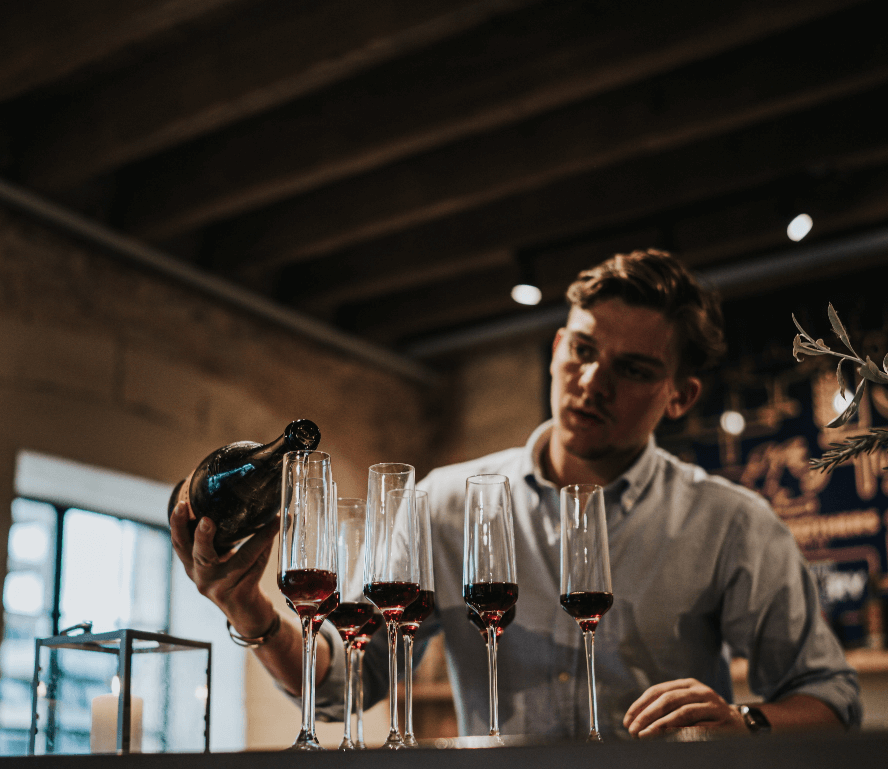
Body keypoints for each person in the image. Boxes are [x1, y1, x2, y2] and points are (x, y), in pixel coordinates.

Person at [171, 249, 860, 738]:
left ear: (681, 396)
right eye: (583, 350)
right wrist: (251, 609)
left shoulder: (730, 523)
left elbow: (830, 698)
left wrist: (745, 721)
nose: (592, 381)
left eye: (634, 368)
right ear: (558, 343)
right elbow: (350, 685)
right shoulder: (441, 503)